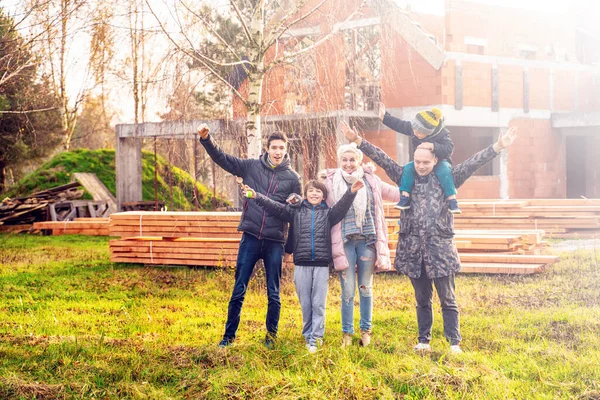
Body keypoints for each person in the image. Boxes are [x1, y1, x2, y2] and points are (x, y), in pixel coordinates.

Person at [341, 121, 518, 353]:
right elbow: (382, 158)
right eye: (417, 162)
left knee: (448, 299)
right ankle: (424, 340)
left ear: (436, 161)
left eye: (426, 162)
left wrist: (498, 146)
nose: (421, 166)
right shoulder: (405, 176)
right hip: (414, 250)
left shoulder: (448, 177)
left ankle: (454, 342)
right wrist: (357, 141)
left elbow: (474, 162)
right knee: (422, 299)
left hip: (440, 249)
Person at [197, 125, 302, 348]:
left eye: (281, 148)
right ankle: (228, 337)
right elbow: (224, 159)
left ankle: (271, 338)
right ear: (267, 148)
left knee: (273, 293)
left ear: (286, 150)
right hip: (251, 237)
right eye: (274, 147)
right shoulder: (252, 167)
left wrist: (289, 246)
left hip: (275, 241)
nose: (277, 152)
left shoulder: (293, 179)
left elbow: (290, 213)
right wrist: (206, 139)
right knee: (239, 289)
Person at [242, 179, 363, 353]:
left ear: (323, 196)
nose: (314, 194)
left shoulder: (329, 214)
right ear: (305, 194)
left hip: (321, 265)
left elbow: (342, 206)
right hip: (301, 263)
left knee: (318, 303)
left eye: (318, 191)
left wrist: (351, 191)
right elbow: (275, 207)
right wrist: (256, 196)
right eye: (311, 191)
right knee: (305, 303)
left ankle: (316, 338)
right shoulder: (296, 211)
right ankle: (308, 335)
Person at [320, 142, 400, 348]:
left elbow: (396, 194)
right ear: (339, 161)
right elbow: (314, 198)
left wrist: (415, 187)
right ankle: (347, 333)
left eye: (352, 159)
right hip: (344, 242)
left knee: (365, 288)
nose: (348, 164)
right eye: (344, 160)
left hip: (367, 241)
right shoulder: (331, 182)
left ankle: (366, 331)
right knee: (347, 290)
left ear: (359, 160)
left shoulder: (371, 180)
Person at [376, 103, 461, 214]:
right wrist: (385, 117)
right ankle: (405, 197)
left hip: (440, 162)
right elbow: (399, 125)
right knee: (407, 169)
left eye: (419, 133)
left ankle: (452, 200)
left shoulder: (442, 134)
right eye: (414, 130)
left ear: (428, 133)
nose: (415, 133)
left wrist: (433, 146)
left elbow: (449, 148)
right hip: (420, 163)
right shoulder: (415, 129)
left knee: (446, 171)